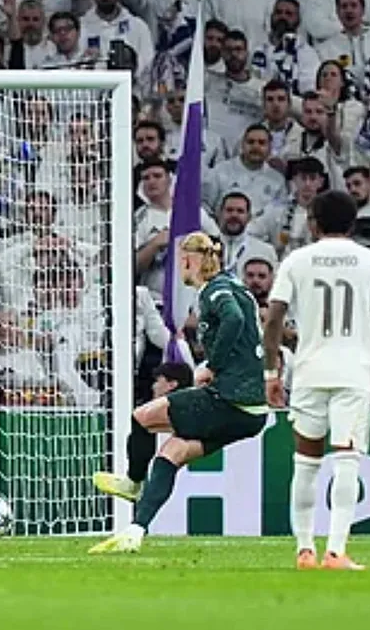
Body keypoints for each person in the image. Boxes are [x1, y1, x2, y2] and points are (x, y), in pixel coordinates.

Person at [90, 232, 268, 554]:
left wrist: (213, 365)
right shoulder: (234, 285)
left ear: (188, 260)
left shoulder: (215, 290)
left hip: (230, 399)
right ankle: (135, 531)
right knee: (172, 452)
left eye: (181, 261)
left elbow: (233, 318)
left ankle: (132, 482)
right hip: (251, 412)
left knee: (142, 417)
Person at [263, 190, 370, 571]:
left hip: (309, 371)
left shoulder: (296, 260)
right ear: (353, 223)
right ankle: (336, 551)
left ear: (313, 223)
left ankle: (304, 550)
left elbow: (273, 318)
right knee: (347, 459)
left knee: (306, 461)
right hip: (354, 373)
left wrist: (271, 372)